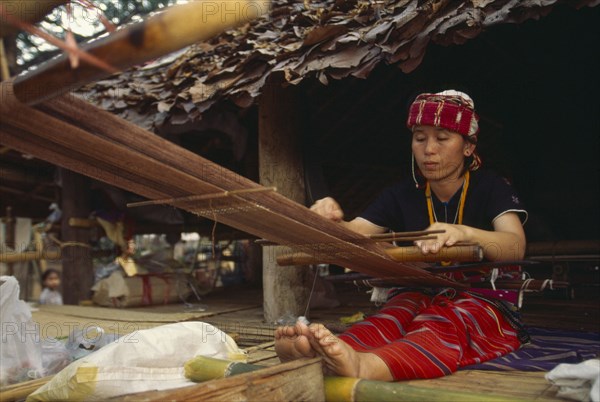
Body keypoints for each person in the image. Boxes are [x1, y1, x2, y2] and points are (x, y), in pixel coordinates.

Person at [274, 90, 529, 381]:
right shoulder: (401, 195)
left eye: (442, 138)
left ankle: (365, 367)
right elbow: (354, 235)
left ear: (468, 147)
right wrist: (332, 221)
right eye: (420, 138)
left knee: (441, 324)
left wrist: (464, 233)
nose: (428, 149)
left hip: (482, 297)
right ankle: (320, 356)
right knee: (390, 317)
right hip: (420, 289)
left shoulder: (492, 187)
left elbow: (515, 245)